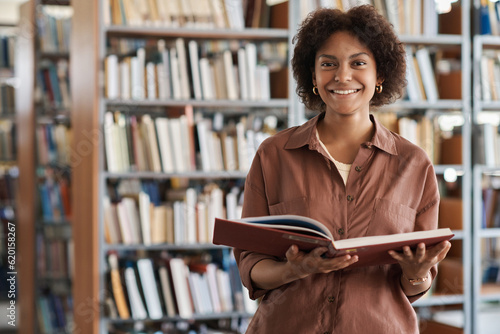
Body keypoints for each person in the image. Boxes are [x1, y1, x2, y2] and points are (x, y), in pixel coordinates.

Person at [233, 5, 452, 334]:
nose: (342, 76)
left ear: (379, 75)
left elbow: (415, 287)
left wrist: (417, 271)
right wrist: (294, 270)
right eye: (328, 64)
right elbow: (251, 264)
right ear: (313, 75)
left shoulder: (415, 164)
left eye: (358, 63)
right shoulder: (273, 155)